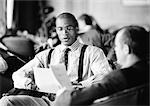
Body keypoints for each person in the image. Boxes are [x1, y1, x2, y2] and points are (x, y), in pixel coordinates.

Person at [0, 12, 111, 106]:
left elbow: (105, 77)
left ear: (77, 28)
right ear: (56, 31)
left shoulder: (93, 52)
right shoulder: (46, 55)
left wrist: (79, 86)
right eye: (60, 29)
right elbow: (17, 75)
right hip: (48, 101)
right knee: (6, 101)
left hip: (78, 101)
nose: (64, 33)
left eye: (69, 28)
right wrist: (28, 83)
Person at [59, 25, 148, 105]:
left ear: (126, 49)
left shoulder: (118, 78)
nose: (115, 50)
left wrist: (63, 94)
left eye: (116, 46)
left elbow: (73, 100)